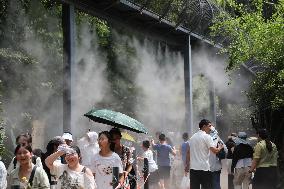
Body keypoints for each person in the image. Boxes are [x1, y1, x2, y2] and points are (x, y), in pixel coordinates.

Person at [185, 119, 224, 189]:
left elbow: (188, 153)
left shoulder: (193, 137)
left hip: (193, 169)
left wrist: (187, 165)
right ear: (204, 126)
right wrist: (220, 147)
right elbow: (214, 151)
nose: (211, 128)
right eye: (209, 126)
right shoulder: (207, 137)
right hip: (204, 169)